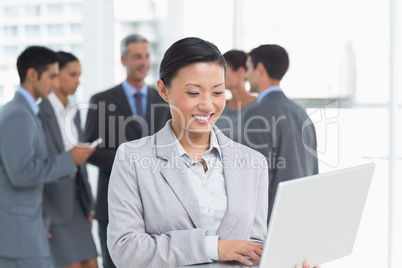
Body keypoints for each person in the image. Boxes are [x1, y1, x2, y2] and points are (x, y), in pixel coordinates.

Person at [107, 37, 319, 268]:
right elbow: (125, 250)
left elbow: (255, 251)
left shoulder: (252, 162)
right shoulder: (133, 158)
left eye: (218, 92)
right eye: (193, 93)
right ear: (163, 90)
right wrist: (213, 247)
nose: (208, 105)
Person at [0, 46, 94, 268]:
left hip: (33, 223)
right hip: (20, 229)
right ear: (32, 75)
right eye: (52, 76)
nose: (54, 84)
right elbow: (22, 174)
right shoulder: (17, 115)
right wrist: (70, 159)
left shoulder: (25, 112)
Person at [84, 33, 171, 268]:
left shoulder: (163, 99)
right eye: (136, 57)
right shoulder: (100, 100)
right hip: (114, 200)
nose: (143, 62)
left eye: (146, 56)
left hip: (158, 201)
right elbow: (89, 149)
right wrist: (131, 159)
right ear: (124, 60)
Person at [242, 44, 319, 223]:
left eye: (248, 68)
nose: (246, 76)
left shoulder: (257, 114)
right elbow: (313, 169)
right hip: (302, 216)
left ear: (259, 69)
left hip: (271, 221)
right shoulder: (301, 112)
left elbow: (257, 180)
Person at [39, 51, 98, 268]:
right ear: (55, 75)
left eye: (79, 75)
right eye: (72, 74)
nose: (77, 80)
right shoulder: (39, 112)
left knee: (92, 264)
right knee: (71, 265)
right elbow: (36, 166)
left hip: (76, 202)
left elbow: (80, 168)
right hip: (52, 205)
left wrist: (87, 206)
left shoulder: (74, 110)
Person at [215, 50, 257, 143]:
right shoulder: (219, 108)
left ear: (240, 72)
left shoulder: (260, 106)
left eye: (224, 70)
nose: (219, 76)